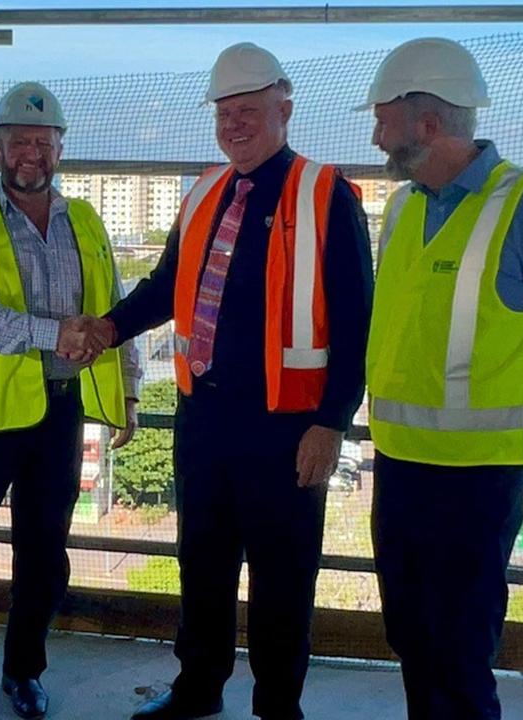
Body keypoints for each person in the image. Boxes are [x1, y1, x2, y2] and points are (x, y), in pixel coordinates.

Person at [84, 43, 373, 720]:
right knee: (203, 568)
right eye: (225, 112)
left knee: (283, 580)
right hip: (204, 421)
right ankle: (198, 691)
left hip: (288, 430)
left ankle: (278, 707)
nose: (234, 124)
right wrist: (107, 327)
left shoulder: (325, 194)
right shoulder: (205, 191)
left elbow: (359, 324)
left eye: (249, 110)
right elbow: (165, 288)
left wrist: (331, 424)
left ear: (284, 109)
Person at [358, 37, 523, 719]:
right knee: (410, 638)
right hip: (401, 465)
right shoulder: (406, 207)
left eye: (384, 120)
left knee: (460, 652)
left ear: (428, 124)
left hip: (480, 478)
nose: (376, 135)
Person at [0, 81, 142, 720]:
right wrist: (54, 333)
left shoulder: (86, 223)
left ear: (59, 149)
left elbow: (114, 309)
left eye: (43, 143)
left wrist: (127, 389)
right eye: (19, 141)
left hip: (60, 413)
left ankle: (24, 672)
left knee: (44, 559)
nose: (32, 154)